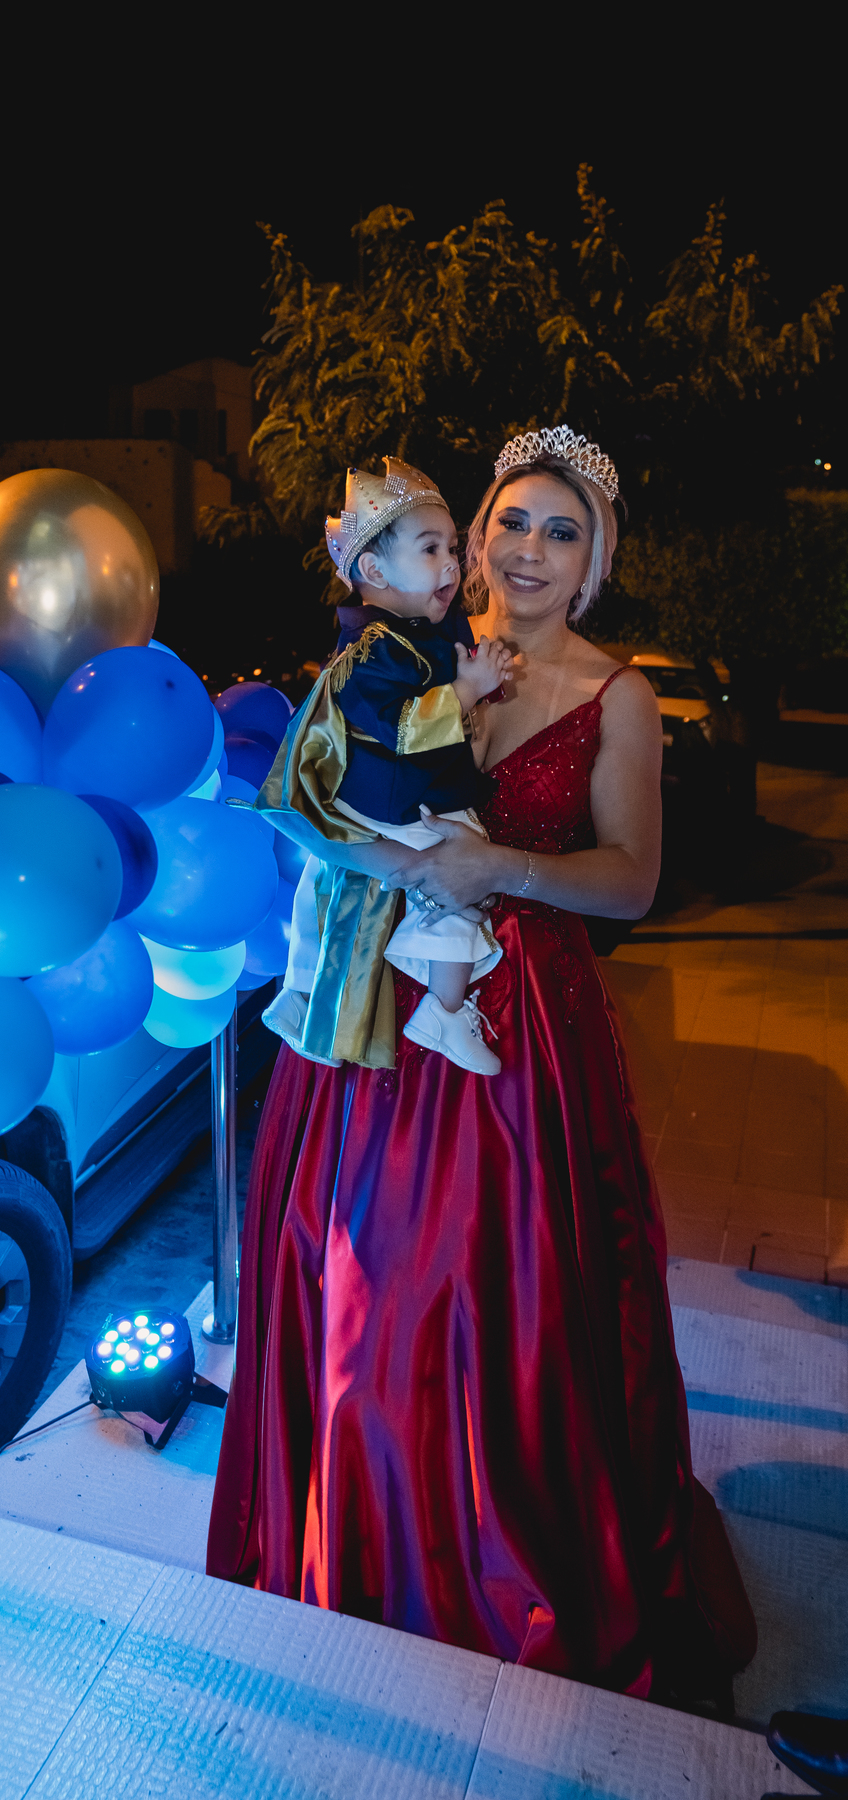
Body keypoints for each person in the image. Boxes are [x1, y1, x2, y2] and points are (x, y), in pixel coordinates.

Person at [208, 425, 757, 1704]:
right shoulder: (410, 656)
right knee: (369, 1286)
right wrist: (370, 854)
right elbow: (318, 802)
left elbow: (630, 882)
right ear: (472, 535)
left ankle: (510, 1564)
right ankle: (364, 1542)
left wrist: (499, 866)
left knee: (512, 1307)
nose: (529, 551)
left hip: (528, 1043)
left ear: (595, 562)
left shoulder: (619, 698)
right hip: (382, 1018)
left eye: (563, 533)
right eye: (511, 522)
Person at [263, 457, 513, 1074]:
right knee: (458, 882)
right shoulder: (375, 649)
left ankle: (316, 995)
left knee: (340, 891)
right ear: (373, 571)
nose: (451, 563)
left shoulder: (420, 633)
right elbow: (401, 728)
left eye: (452, 547)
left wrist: (480, 683)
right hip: (402, 803)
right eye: (431, 549)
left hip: (408, 798)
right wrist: (468, 691)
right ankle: (445, 1010)